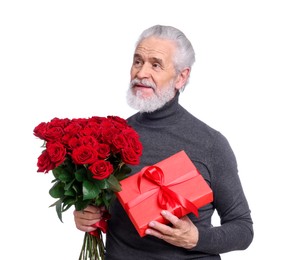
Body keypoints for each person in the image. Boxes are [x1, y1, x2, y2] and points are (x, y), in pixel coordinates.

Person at [74, 25, 254, 259]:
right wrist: (87, 216)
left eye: (155, 64)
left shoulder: (210, 143)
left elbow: (243, 228)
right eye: (137, 61)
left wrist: (196, 238)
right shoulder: (111, 137)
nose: (141, 73)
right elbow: (107, 210)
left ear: (181, 77)